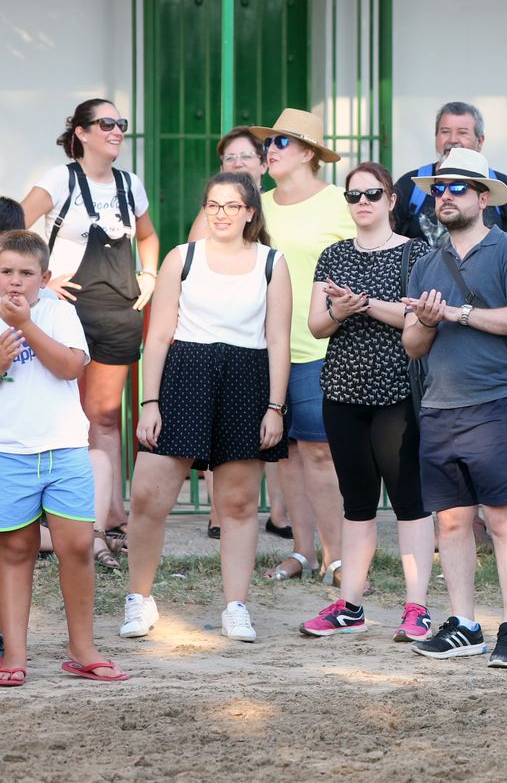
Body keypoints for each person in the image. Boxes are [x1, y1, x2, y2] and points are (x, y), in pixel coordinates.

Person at [121, 173, 290, 644]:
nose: (221, 213)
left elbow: (278, 340)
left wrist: (274, 407)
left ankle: (236, 606)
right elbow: (157, 336)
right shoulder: (182, 257)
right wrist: (148, 402)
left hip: (248, 381)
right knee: (148, 497)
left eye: (232, 206)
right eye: (214, 204)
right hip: (184, 376)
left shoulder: (272, 263)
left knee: (236, 503)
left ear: (250, 213)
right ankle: (140, 597)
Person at [403, 148, 507, 668]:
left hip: (493, 402)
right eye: (439, 188)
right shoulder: (426, 263)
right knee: (452, 524)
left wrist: (459, 312)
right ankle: (465, 624)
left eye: (458, 188)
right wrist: (430, 321)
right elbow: (414, 346)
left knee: (504, 519)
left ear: (484, 198)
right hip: (438, 405)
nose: (445, 195)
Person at [298, 162, 437, 641]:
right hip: (342, 392)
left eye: (372, 194)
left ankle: (417, 607)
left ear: (391, 200)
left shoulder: (416, 253)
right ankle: (350, 604)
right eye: (353, 196)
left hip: (397, 394)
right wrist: (340, 308)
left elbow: (418, 317)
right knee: (356, 502)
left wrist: (363, 303)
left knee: (410, 502)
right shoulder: (333, 254)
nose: (362, 204)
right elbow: (317, 326)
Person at [20, 99, 160, 570]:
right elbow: (15, 225)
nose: (117, 130)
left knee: (103, 417)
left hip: (118, 312)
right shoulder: (60, 178)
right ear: (81, 132)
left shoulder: (129, 183)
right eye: (106, 123)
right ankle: (60, 519)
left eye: (121, 123)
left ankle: (103, 520)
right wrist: (43, 278)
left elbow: (148, 236)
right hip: (64, 313)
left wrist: (151, 275)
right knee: (66, 415)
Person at [0, 230, 128, 686]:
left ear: (45, 277)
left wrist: (28, 325)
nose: (15, 282)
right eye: (6, 272)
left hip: (64, 449)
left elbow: (73, 367)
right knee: (15, 551)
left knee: (76, 546)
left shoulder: (60, 312)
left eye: (26, 274)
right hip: (8, 453)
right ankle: (14, 655)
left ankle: (82, 648)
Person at [253, 109, 356, 585]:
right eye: (269, 143)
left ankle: (337, 555)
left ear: (309, 154)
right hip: (266, 345)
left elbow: (364, 258)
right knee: (286, 451)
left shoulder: (339, 201)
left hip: (322, 345)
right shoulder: (258, 203)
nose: (269, 150)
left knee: (318, 452)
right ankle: (303, 551)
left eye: (280, 143)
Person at [187, 127, 290, 542]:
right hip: (224, 337)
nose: (238, 164)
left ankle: (281, 512)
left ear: (264, 164)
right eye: (229, 158)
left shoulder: (281, 205)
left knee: (277, 432)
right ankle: (217, 512)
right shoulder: (219, 212)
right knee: (219, 433)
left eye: (246, 157)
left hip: (280, 331)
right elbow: (195, 249)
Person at [393, 103, 507, 248]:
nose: (452, 139)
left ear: (480, 141)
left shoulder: (503, 185)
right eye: (445, 131)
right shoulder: (409, 185)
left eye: (462, 132)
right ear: (435, 137)